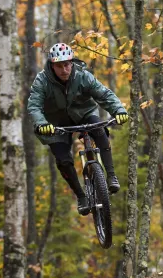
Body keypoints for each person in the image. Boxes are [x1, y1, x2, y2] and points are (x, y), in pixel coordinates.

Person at [26, 43, 129, 215]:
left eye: (67, 64)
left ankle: (111, 175)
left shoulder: (83, 76)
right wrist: (42, 124)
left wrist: (119, 110)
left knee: (100, 131)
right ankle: (81, 197)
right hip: (55, 124)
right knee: (63, 160)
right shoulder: (42, 81)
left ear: (72, 62)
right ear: (52, 65)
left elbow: (104, 94)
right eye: (59, 66)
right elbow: (34, 106)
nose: (64, 70)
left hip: (84, 114)